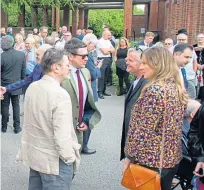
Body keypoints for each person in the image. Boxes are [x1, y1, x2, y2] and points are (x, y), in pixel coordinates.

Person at [122, 47, 188, 190]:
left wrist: (129, 157)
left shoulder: (155, 91)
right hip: (170, 158)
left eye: (145, 63)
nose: (141, 66)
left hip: (151, 160)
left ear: (157, 64)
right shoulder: (175, 87)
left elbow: (142, 131)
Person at [16, 48, 81, 190]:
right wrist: (69, 158)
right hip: (55, 163)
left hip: (36, 157)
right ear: (55, 67)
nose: (69, 67)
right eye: (66, 64)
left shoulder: (33, 87)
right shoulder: (60, 94)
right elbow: (62, 135)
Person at [62, 38, 101, 154]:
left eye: (87, 55)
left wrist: (86, 121)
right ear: (70, 56)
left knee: (74, 166)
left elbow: (87, 103)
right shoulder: (60, 74)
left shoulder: (85, 72)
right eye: (83, 56)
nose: (87, 59)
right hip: (62, 130)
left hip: (79, 130)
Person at [120, 48, 148, 160]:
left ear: (142, 64)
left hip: (139, 146)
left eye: (130, 60)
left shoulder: (148, 84)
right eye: (126, 59)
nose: (126, 62)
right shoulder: (136, 80)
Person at [1, 35, 26, 133]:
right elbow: (23, 71)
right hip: (17, 84)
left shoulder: (1, 56)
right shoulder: (21, 55)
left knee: (5, 105)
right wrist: (22, 84)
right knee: (16, 105)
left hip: (4, 85)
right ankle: (17, 127)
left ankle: (4, 127)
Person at [170, 33, 198, 99]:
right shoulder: (169, 72)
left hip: (190, 77)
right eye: (186, 57)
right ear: (176, 55)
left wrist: (194, 72)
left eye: (190, 57)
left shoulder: (182, 70)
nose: (188, 60)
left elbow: (195, 61)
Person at [82, 33, 101, 102]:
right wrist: (98, 67)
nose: (94, 47)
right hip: (89, 87)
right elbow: (92, 75)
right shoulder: (87, 55)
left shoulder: (82, 54)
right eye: (94, 45)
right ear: (89, 43)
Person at [96, 30, 115, 99]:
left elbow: (113, 50)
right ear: (104, 34)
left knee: (106, 75)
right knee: (101, 76)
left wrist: (108, 50)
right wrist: (109, 50)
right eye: (108, 35)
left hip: (108, 59)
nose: (110, 36)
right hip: (102, 59)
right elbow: (104, 52)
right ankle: (99, 92)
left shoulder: (108, 41)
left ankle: (104, 90)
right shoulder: (100, 41)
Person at [193, 33, 204, 103]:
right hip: (195, 68)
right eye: (199, 37)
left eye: (202, 37)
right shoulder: (193, 47)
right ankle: (195, 98)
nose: (200, 39)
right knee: (195, 83)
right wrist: (197, 65)